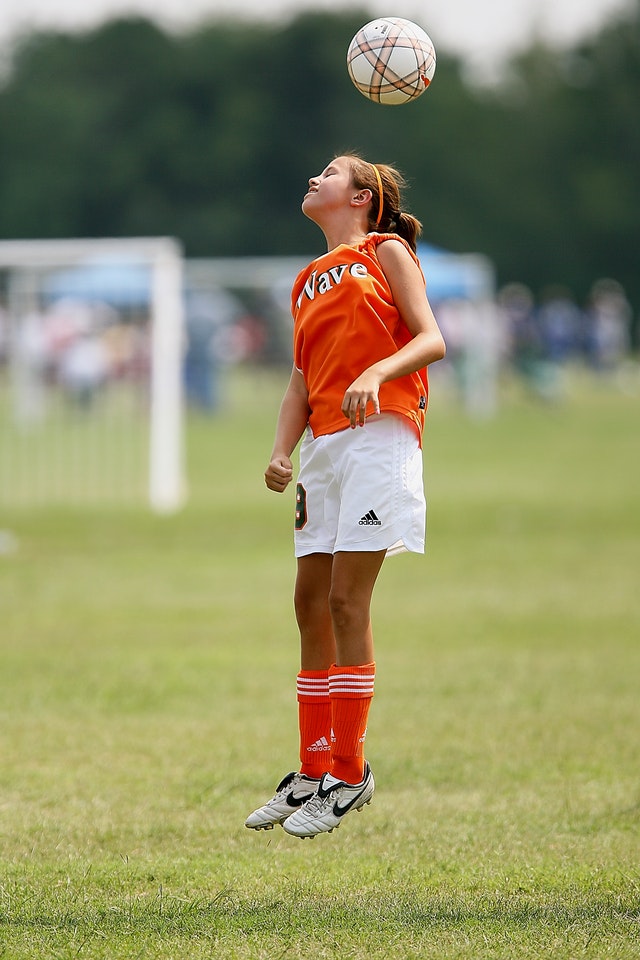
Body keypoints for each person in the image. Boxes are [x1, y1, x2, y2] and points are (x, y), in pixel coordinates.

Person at [245, 154, 446, 839]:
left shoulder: (384, 250)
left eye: (329, 173)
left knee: (345, 602)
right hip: (323, 450)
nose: (312, 178)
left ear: (362, 197)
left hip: (378, 438)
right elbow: (300, 382)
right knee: (307, 604)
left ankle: (351, 773)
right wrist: (280, 448)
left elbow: (431, 338)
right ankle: (311, 769)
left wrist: (377, 371)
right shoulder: (305, 281)